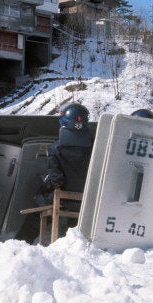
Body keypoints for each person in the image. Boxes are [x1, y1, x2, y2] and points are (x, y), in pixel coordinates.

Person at [15, 103, 93, 244]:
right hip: (87, 201)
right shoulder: (94, 147)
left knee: (40, 206)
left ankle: (21, 242)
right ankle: (71, 241)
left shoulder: (55, 149)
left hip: (62, 200)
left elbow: (57, 180)